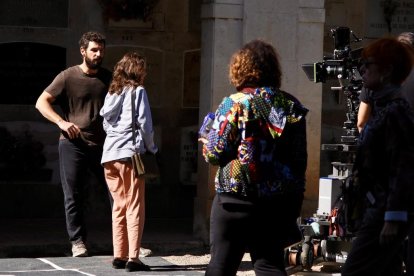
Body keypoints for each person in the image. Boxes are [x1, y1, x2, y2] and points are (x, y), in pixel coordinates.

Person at [199, 39, 308, 276]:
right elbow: (300, 159)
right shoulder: (291, 105)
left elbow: (215, 154)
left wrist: (207, 144)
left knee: (221, 265)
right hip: (277, 202)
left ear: (240, 69)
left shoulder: (234, 103)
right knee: (270, 265)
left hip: (235, 199)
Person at [35, 31, 113, 257]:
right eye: (94, 50)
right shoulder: (67, 77)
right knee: (73, 194)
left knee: (116, 192)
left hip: (104, 145)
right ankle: (77, 242)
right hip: (73, 144)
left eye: (101, 50)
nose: (98, 54)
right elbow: (41, 102)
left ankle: (126, 242)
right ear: (83, 51)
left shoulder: (109, 78)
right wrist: (61, 122)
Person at [341, 37, 414, 276]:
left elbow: (402, 167)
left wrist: (393, 217)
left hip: (383, 213)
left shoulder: (395, 111)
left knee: (354, 272)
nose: (362, 69)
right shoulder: (385, 108)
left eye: (368, 64)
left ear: (386, 71)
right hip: (376, 209)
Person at [100, 52, 157, 272]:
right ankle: (134, 257)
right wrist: (152, 148)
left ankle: (119, 255)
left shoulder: (112, 91)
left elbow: (106, 123)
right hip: (130, 155)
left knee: (119, 206)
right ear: (137, 71)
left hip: (109, 155)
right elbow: (145, 123)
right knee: (135, 205)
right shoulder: (138, 91)